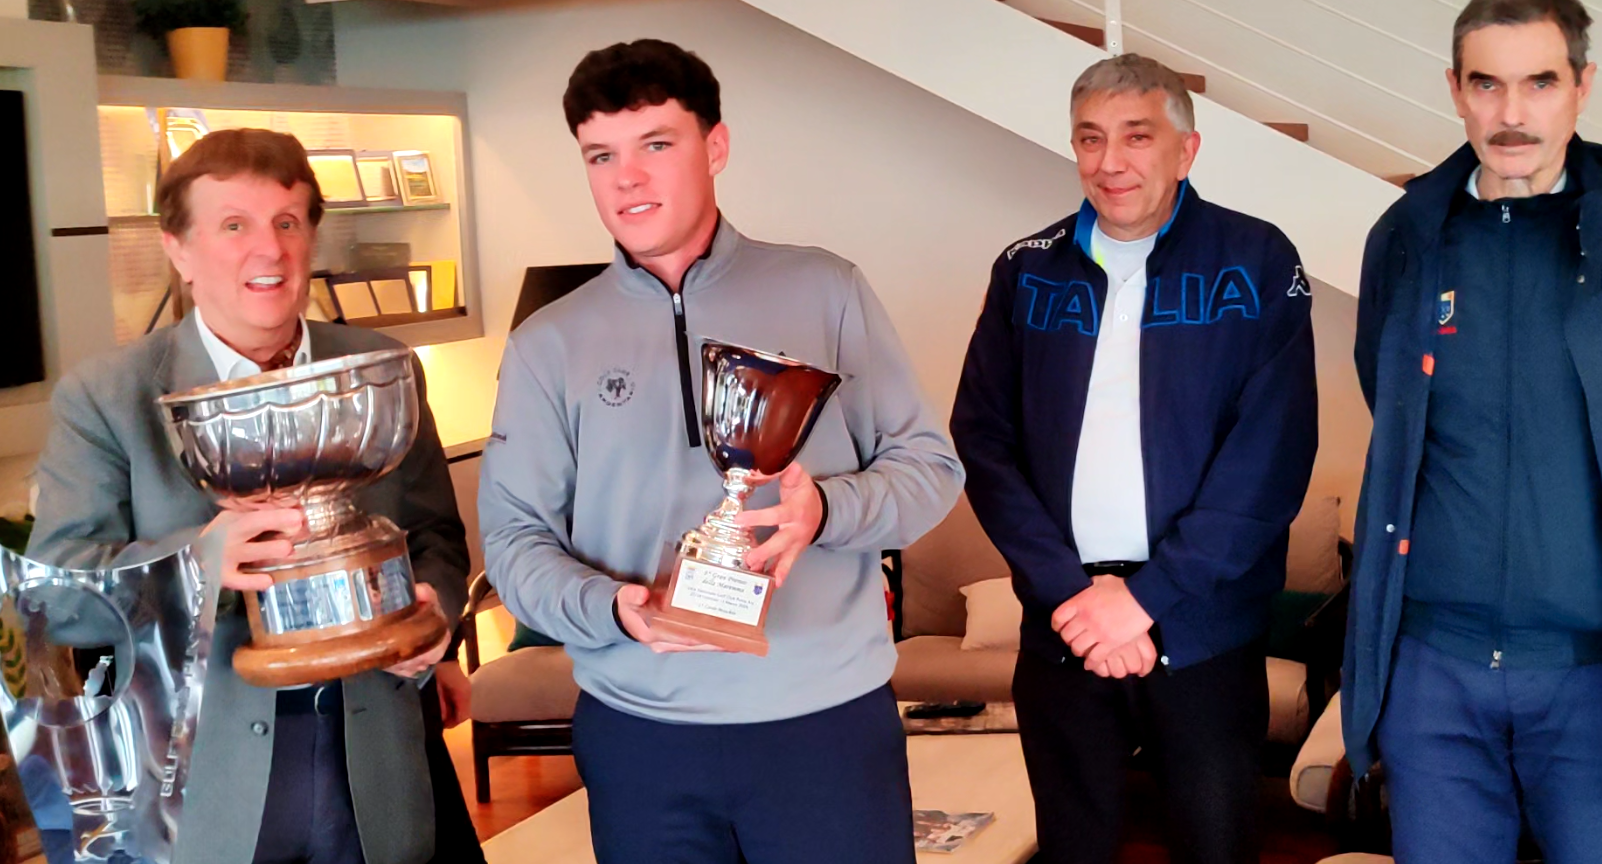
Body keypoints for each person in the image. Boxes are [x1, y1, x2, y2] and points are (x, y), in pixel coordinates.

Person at [477, 38, 963, 864]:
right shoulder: (546, 344)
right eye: (601, 155)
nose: (627, 178)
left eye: (656, 144)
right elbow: (515, 542)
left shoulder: (826, 289)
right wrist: (614, 609)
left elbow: (930, 471)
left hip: (824, 725)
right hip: (641, 736)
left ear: (716, 146)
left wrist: (825, 512)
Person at [26, 127, 482, 864]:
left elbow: (435, 536)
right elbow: (56, 598)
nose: (268, 250)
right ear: (178, 250)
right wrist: (194, 562)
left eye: (287, 222)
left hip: (376, 768)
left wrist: (433, 615)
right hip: (204, 797)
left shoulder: (384, 366)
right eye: (234, 226)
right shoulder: (107, 397)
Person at [950, 53, 1318, 864]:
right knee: (1070, 848)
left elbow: (1271, 456)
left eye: (1136, 136)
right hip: (1064, 627)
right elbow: (982, 438)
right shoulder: (1025, 269)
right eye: (1090, 138)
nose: (1109, 162)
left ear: (1186, 150)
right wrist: (1072, 596)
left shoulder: (1257, 260)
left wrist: (1147, 599)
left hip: (1204, 630)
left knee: (1215, 849)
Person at [1343, 1, 1602, 860]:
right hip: (1436, 675)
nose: (1511, 113)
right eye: (1487, 85)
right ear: (1455, 90)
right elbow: (1389, 401)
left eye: (1540, 83)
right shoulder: (1407, 237)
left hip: (1589, 675)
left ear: (1582, 86)